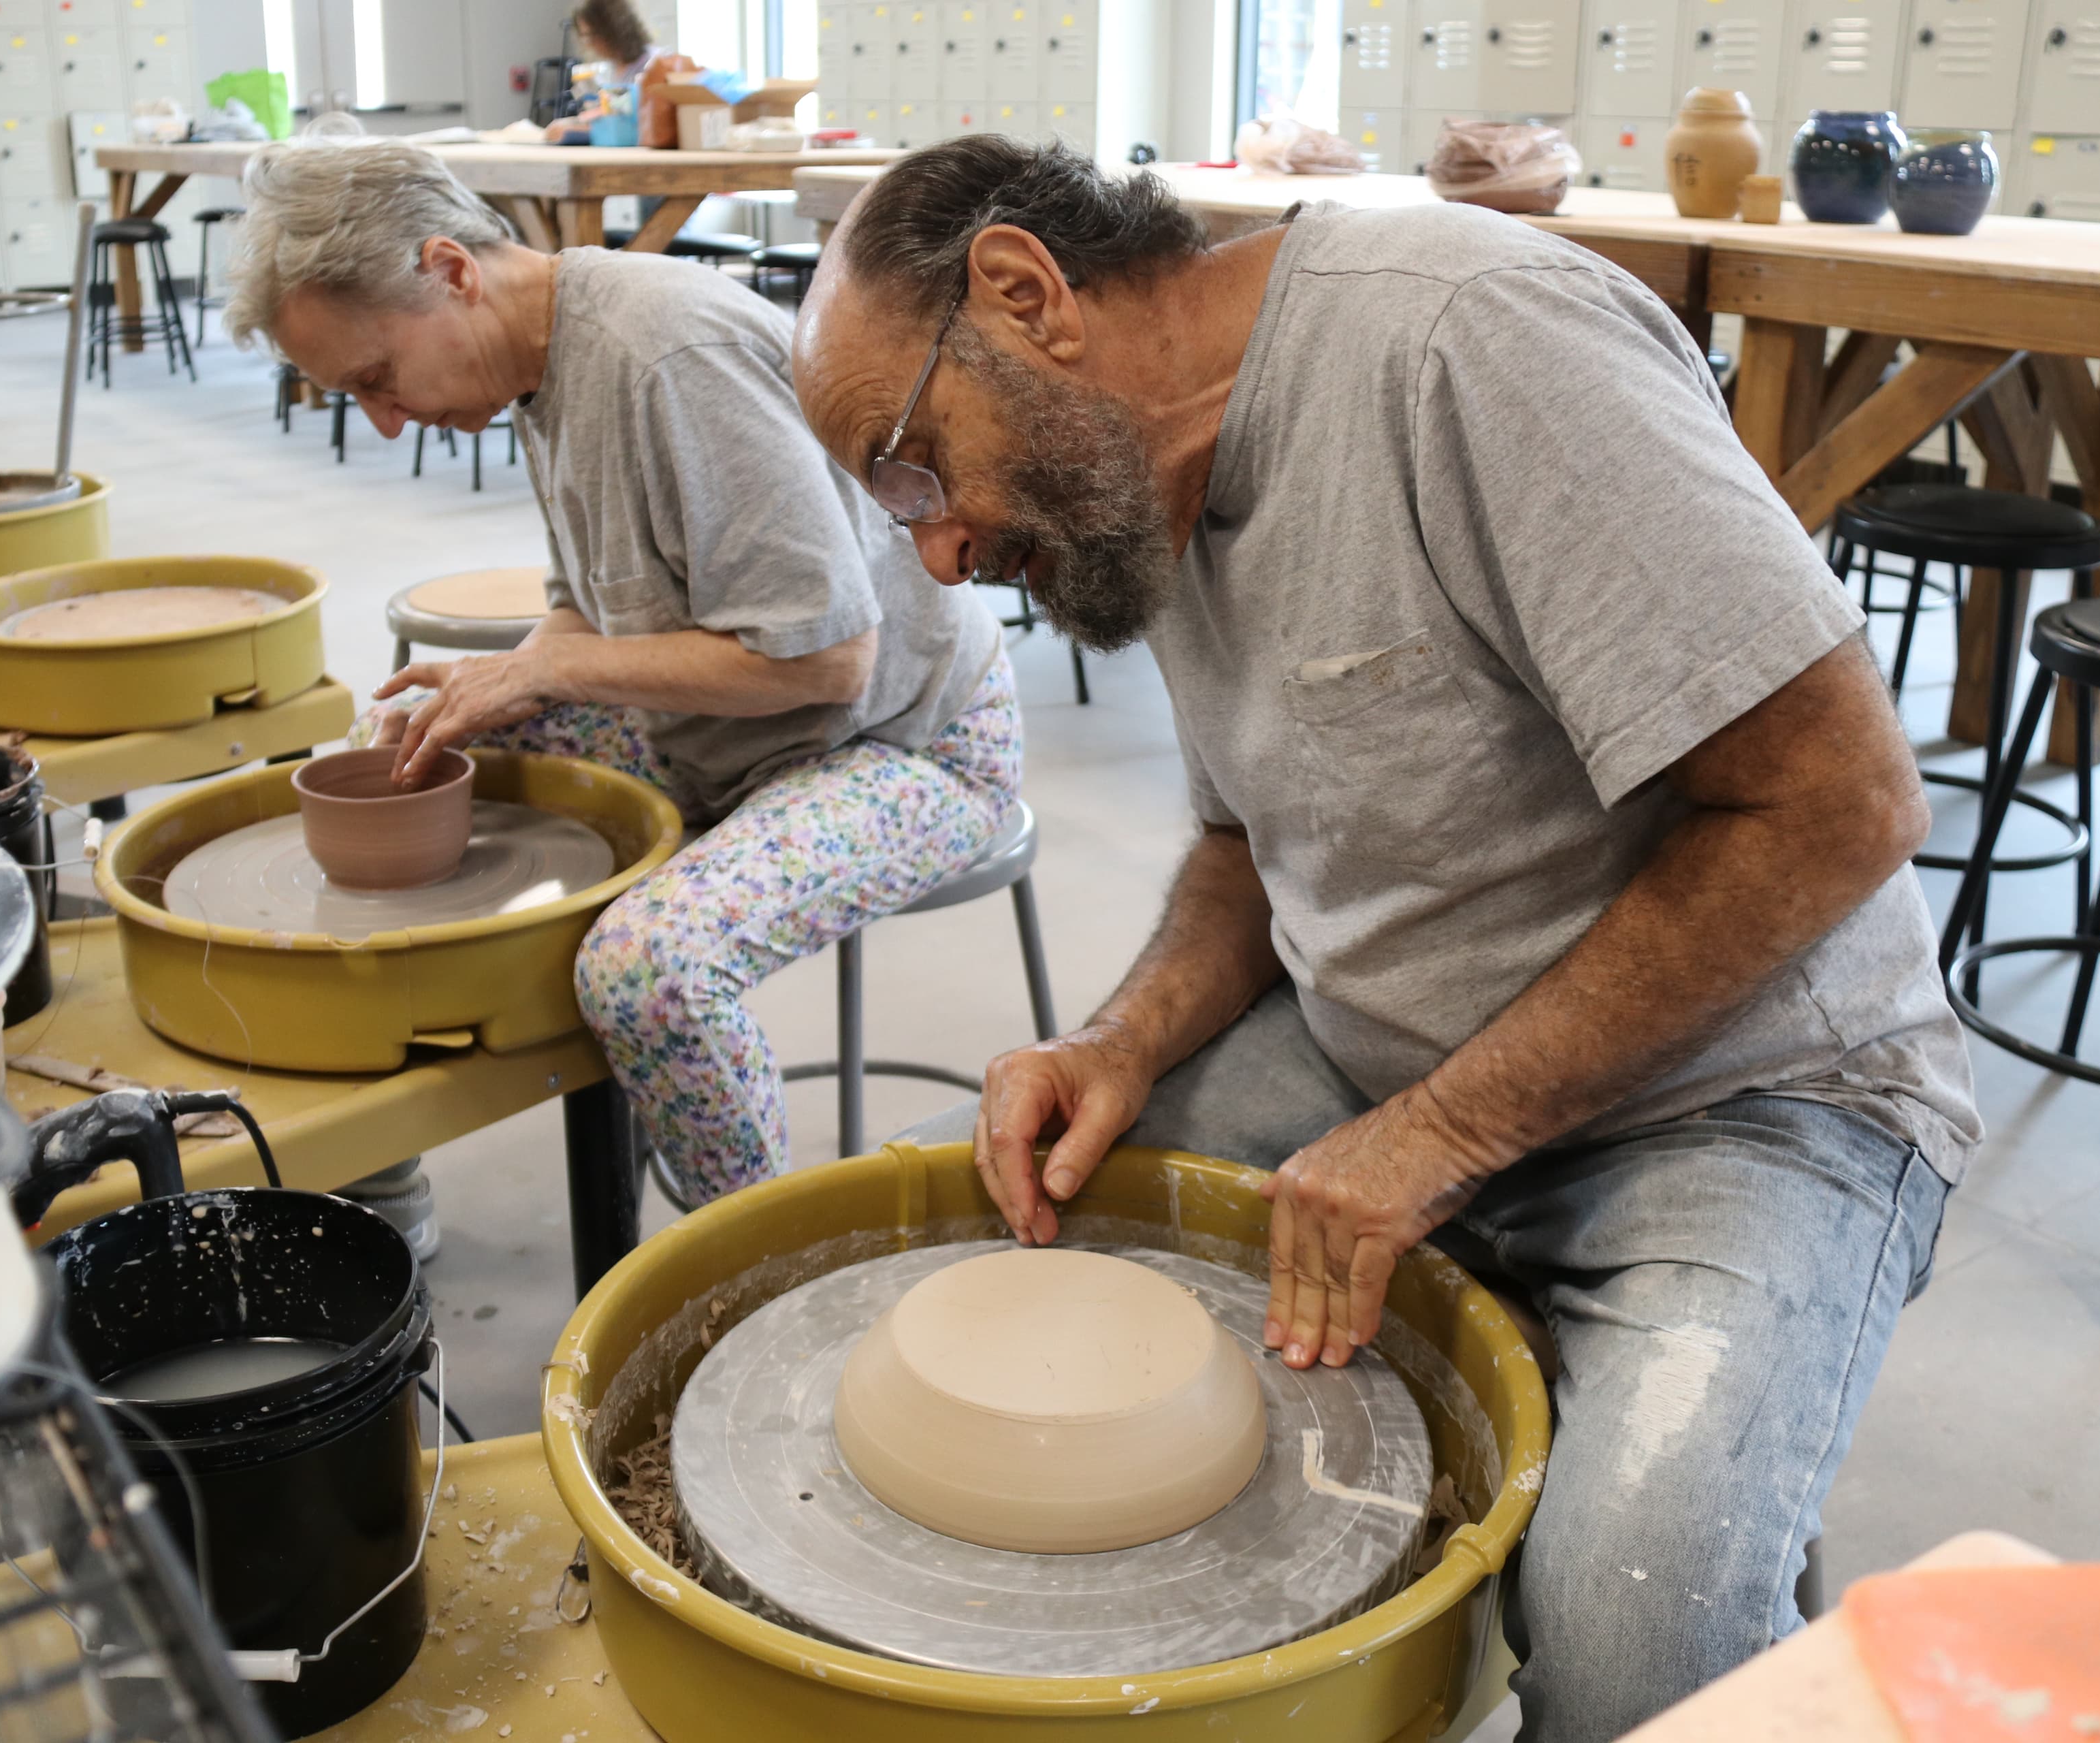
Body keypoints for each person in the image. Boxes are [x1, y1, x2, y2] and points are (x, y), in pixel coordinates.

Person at [791, 136, 1977, 1740]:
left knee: (1633, 1623)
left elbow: (1838, 806)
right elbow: (1240, 848)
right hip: (1385, 1046)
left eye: (915, 467)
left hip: (1750, 1089)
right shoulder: (1137, 487)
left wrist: (1439, 1132)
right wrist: (1118, 1040)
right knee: (957, 1226)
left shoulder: (1470, 341)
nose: (938, 552)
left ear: (1025, 295)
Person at [223, 139, 1017, 1206]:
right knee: (414, 760)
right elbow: (591, 601)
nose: (386, 421)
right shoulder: (535, 367)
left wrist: (556, 671)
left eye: (376, 378)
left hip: (904, 741)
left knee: (649, 974)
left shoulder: (664, 356)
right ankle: (383, 1181)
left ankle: (749, 1266)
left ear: (451, 270)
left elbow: (830, 658)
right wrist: (528, 670)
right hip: (730, 728)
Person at [544, 0, 666, 141]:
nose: (590, 44)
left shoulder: (656, 65)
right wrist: (575, 123)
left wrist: (576, 130)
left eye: (592, 35)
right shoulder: (611, 70)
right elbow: (610, 114)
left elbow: (637, 127)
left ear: (614, 29)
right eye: (584, 37)